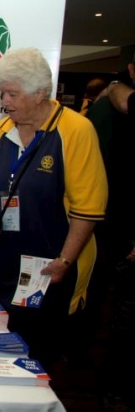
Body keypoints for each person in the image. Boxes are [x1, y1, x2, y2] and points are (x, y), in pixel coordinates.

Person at [0, 47, 108, 368]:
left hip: (47, 270)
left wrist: (65, 261)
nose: (4, 101)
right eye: (2, 93)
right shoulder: (1, 131)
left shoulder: (75, 131)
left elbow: (88, 210)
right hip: (4, 262)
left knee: (35, 350)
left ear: (40, 93)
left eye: (12, 94)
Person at [85, 54, 135, 410]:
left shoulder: (111, 102)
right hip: (112, 225)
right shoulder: (108, 112)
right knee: (114, 302)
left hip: (115, 226)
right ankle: (112, 380)